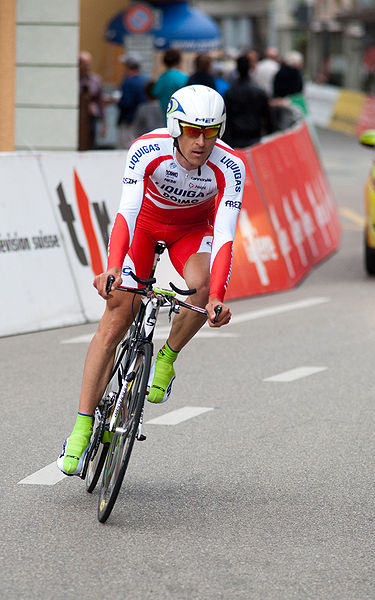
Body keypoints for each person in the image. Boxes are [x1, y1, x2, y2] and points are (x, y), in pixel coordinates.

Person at [57, 85, 246, 476]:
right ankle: (81, 426)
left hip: (191, 231)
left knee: (201, 290)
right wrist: (112, 267)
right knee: (116, 318)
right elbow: (126, 212)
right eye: (193, 130)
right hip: (143, 227)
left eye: (210, 132)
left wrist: (217, 298)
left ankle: (167, 356)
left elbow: (226, 234)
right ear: (176, 127)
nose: (201, 141)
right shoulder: (147, 149)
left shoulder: (231, 166)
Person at [223, 54, 275, 148]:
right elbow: (267, 115)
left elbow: (227, 117)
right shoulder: (259, 91)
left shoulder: (230, 92)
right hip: (254, 134)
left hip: (236, 135)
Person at [117, 51, 147, 149]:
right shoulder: (144, 81)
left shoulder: (128, 82)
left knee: (126, 147)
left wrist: (117, 101)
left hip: (128, 121)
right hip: (141, 121)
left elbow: (126, 102)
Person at [78, 51, 105, 150]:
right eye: (84, 64)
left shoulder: (95, 80)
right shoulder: (73, 79)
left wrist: (104, 124)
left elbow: (100, 102)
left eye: (88, 64)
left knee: (91, 144)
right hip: (77, 117)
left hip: (91, 118)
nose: (87, 67)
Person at [153, 49, 188, 122]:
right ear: (179, 61)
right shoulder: (183, 77)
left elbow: (155, 93)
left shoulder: (162, 78)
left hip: (165, 118)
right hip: (181, 120)